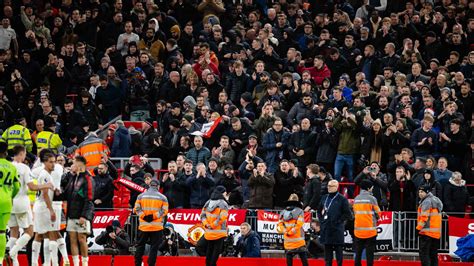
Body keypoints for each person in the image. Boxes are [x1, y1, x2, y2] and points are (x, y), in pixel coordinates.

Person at [7, 146, 53, 266]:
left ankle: (15, 262)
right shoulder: (24, 168)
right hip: (22, 202)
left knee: (14, 232)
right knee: (30, 232)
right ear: (22, 153)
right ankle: (13, 251)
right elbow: (32, 187)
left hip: (10, 202)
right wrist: (46, 185)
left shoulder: (8, 166)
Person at [63, 156, 94, 266]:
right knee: (72, 239)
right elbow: (66, 194)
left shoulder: (87, 179)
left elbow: (89, 199)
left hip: (81, 215)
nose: (72, 165)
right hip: (71, 214)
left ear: (79, 165)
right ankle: (76, 264)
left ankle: (85, 263)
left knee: (82, 239)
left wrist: (84, 216)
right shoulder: (73, 178)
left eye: (74, 163)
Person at [134, 178, 169, 266]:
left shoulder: (140, 196)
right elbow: (164, 211)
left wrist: (144, 216)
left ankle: (137, 263)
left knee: (140, 246)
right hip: (156, 228)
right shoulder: (163, 197)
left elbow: (136, 209)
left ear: (149, 185)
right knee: (154, 248)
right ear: (158, 186)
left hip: (143, 226)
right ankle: (151, 264)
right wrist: (153, 216)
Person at [318, 180, 352, 266]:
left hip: (337, 229)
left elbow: (347, 214)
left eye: (331, 186)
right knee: (327, 254)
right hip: (326, 228)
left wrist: (339, 221)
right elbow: (319, 210)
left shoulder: (342, 199)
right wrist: (321, 220)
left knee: (338, 253)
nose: (328, 187)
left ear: (336, 187)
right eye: (328, 185)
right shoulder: (324, 197)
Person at [353, 180, 381, 266]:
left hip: (358, 231)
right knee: (370, 254)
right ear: (368, 188)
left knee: (358, 253)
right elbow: (378, 213)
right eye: (372, 187)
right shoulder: (372, 199)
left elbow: (354, 213)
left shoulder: (356, 198)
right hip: (370, 231)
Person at [0, 141, 20, 265]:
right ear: (6, 152)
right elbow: (17, 187)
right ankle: (0, 260)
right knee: (1, 232)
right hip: (6, 203)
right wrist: (9, 196)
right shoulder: (12, 167)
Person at [277, 194, 309, 266]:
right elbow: (299, 224)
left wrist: (285, 231)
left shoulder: (283, 212)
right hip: (299, 241)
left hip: (288, 242)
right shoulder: (300, 211)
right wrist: (292, 231)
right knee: (304, 260)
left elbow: (279, 225)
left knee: (289, 261)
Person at [200, 185, 229, 266]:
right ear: (222, 193)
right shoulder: (223, 203)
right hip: (219, 232)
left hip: (209, 232)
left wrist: (206, 224)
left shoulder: (208, 202)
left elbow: (202, 215)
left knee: (209, 251)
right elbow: (222, 217)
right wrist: (213, 225)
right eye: (225, 192)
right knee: (216, 253)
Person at [417, 184, 443, 266]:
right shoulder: (435, 200)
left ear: (427, 192)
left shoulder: (426, 201)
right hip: (435, 234)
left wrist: (418, 228)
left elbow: (424, 217)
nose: (420, 194)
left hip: (426, 233)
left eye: (422, 192)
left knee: (424, 255)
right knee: (433, 255)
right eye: (419, 192)